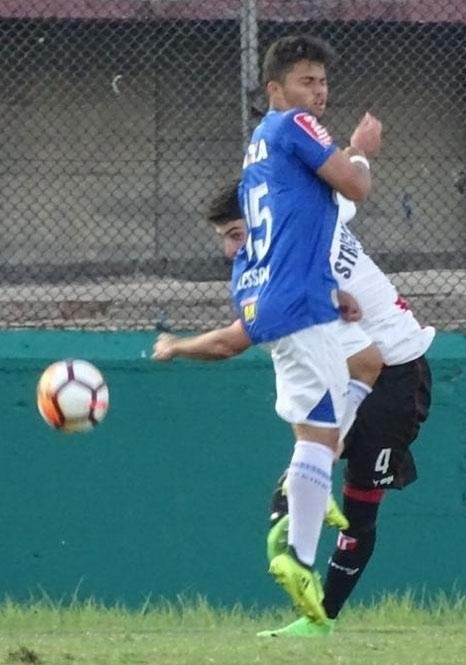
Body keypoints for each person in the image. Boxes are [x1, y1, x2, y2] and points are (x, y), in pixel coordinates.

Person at [154, 183, 434, 637]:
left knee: (358, 511)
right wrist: (359, 153)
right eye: (224, 238)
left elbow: (231, 342)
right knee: (294, 487)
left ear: (263, 222)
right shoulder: (311, 216)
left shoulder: (286, 268)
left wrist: (175, 345)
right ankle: (301, 572)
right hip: (349, 370)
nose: (230, 251)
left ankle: (320, 618)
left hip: (397, 378)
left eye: (235, 234)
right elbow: (349, 190)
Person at [226, 33, 380, 625]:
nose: (317, 93)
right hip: (296, 306)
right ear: (275, 89)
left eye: (322, 82)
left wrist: (329, 286)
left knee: (330, 409)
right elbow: (356, 186)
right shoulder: (294, 125)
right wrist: (361, 151)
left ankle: (300, 528)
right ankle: (298, 552)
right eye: (305, 81)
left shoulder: (258, 147)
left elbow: (292, 226)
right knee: (319, 436)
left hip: (284, 300)